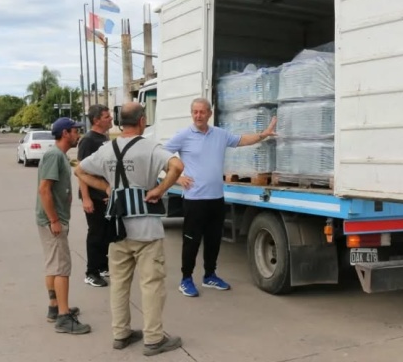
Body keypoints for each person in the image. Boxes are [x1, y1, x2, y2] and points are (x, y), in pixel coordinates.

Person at [75, 102, 184, 357]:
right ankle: (154, 339)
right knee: (152, 284)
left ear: (119, 122)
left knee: (119, 284)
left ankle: (121, 333)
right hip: (146, 228)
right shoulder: (150, 147)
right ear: (143, 121)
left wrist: (106, 188)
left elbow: (80, 170)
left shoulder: (106, 149)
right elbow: (177, 167)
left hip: (117, 227)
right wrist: (159, 189)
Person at [164, 98, 276, 298]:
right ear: (192, 114)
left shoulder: (220, 134)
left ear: (209, 113)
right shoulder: (183, 136)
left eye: (202, 112)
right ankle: (186, 279)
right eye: (195, 112)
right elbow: (161, 155)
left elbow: (241, 140)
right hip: (193, 200)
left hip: (216, 199)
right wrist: (177, 177)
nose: (198, 116)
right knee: (191, 241)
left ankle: (209, 276)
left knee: (214, 240)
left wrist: (263, 135)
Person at [36, 117, 90, 335]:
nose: (78, 134)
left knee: (53, 265)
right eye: (75, 131)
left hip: (52, 219)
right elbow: (44, 190)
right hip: (53, 221)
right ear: (65, 133)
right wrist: (54, 220)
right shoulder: (54, 155)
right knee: (61, 268)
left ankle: (54, 307)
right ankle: (64, 317)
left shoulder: (59, 156)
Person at [77, 104, 112, 288]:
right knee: (96, 234)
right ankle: (91, 272)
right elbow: (81, 171)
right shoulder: (88, 140)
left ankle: (102, 265)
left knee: (107, 233)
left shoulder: (104, 138)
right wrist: (87, 198)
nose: (111, 119)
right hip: (94, 196)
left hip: (105, 195)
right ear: (96, 120)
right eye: (107, 117)